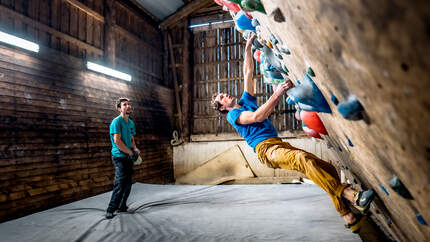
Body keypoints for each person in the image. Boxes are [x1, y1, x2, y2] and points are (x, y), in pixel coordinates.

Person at [211, 34, 374, 233]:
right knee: (302, 159)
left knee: (327, 169)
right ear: (222, 108)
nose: (225, 94)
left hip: (278, 144)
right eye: (222, 97)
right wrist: (277, 93)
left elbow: (247, 72)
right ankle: (353, 196)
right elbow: (256, 117)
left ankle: (349, 217)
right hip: (266, 150)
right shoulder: (234, 114)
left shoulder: (245, 100)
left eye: (223, 93)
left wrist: (246, 48)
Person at [106, 97, 140, 219]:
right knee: (120, 183)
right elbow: (117, 141)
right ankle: (111, 209)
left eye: (129, 104)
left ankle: (122, 206)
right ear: (119, 108)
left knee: (128, 183)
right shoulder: (117, 122)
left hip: (128, 155)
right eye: (124, 105)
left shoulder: (131, 123)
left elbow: (131, 139)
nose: (128, 106)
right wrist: (130, 153)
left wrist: (135, 149)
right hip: (119, 156)